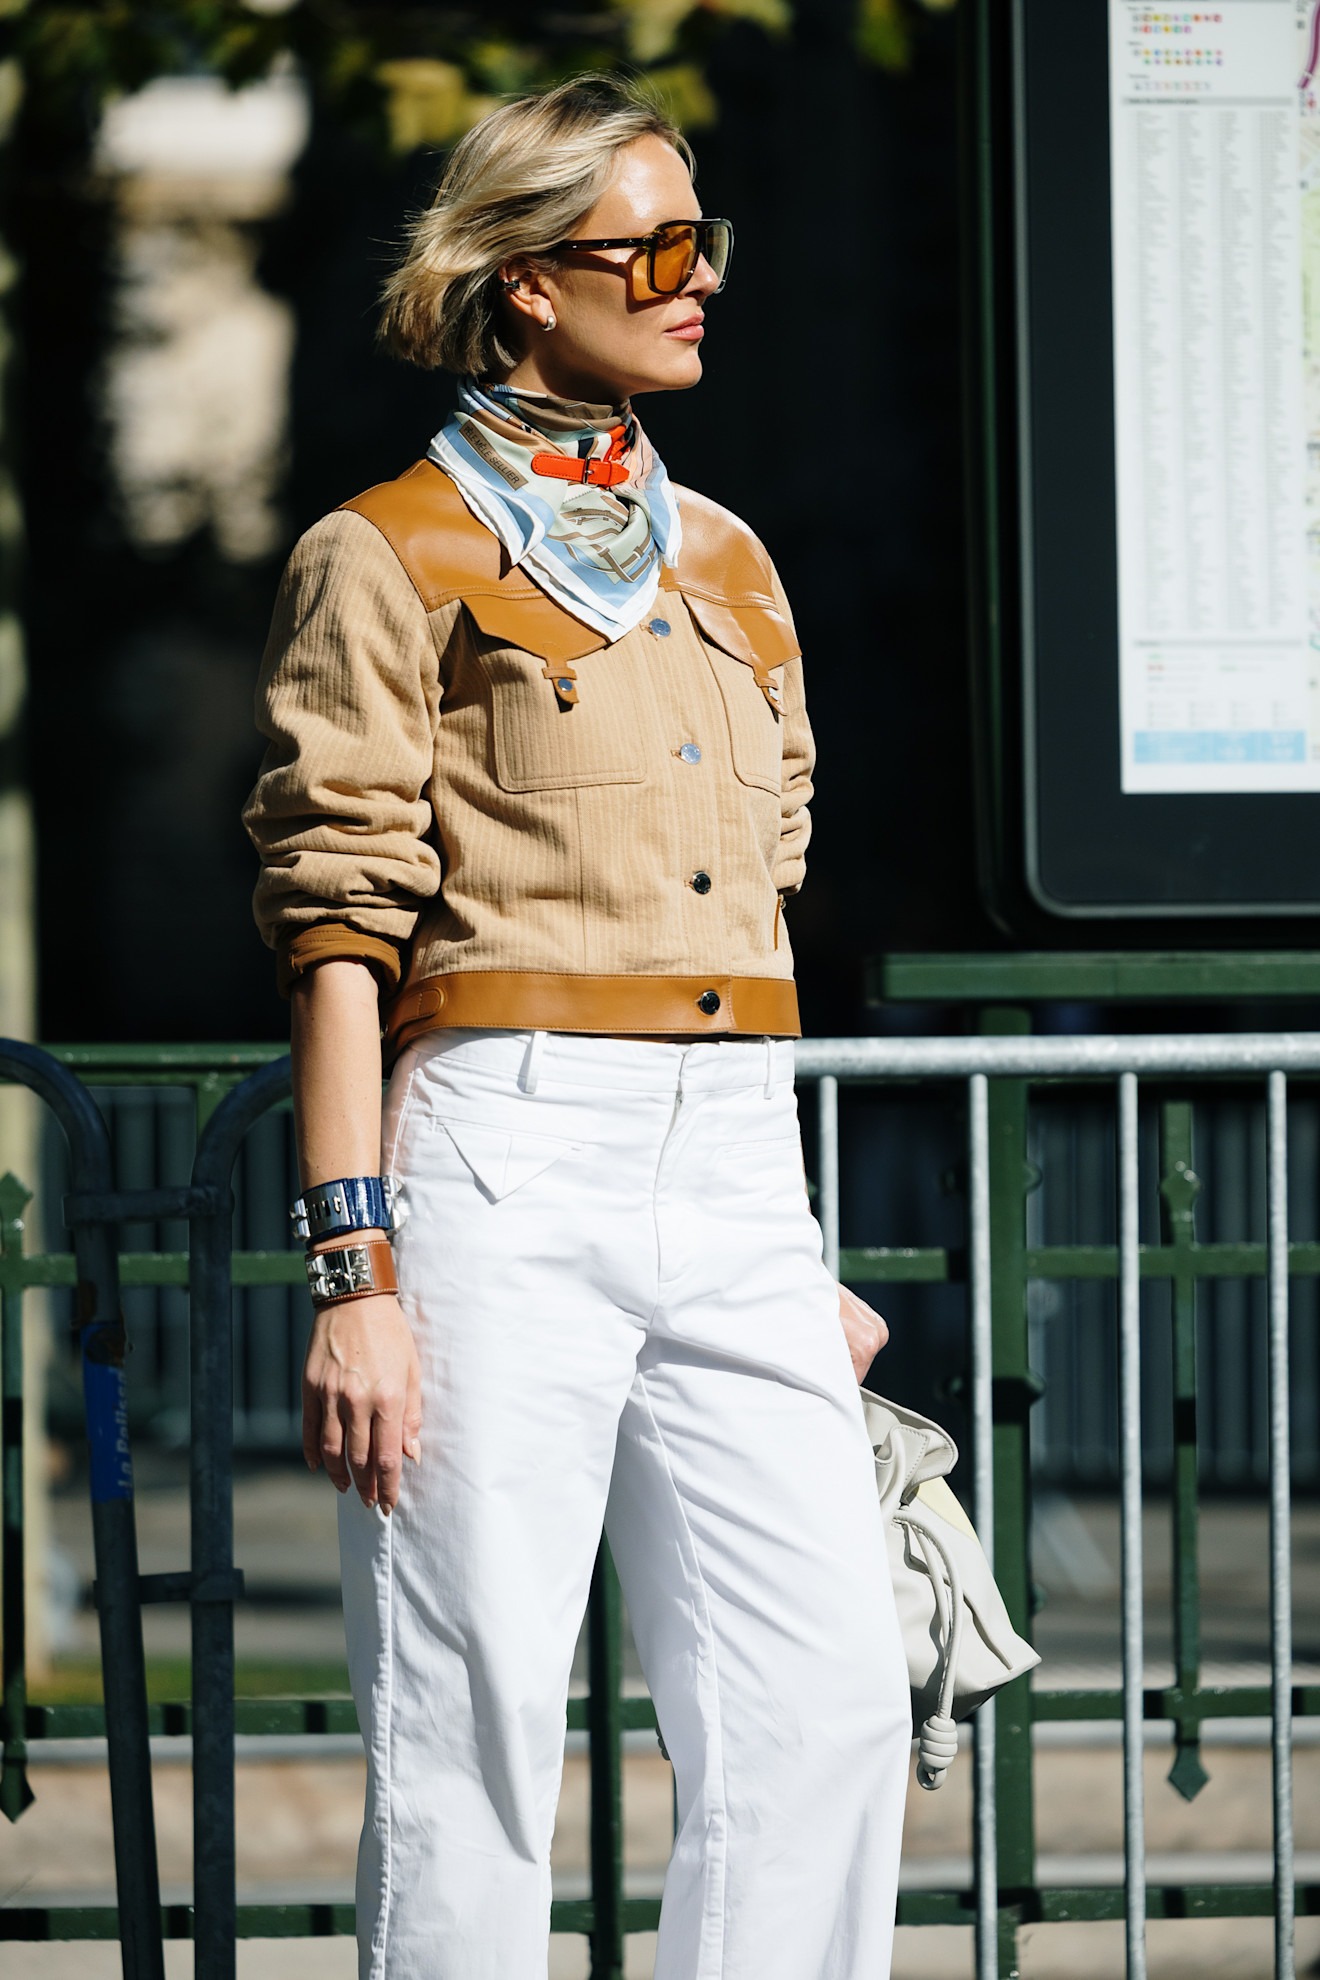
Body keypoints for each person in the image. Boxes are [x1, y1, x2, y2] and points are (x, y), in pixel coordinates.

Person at [243, 74, 910, 1980]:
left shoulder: (731, 563)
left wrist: (778, 1237)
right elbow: (339, 930)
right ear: (528, 280)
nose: (703, 282)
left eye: (710, 242)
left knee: (828, 1707)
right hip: (500, 1157)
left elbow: (754, 906)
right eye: (659, 247)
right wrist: (355, 1269)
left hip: (734, 1164)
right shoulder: (387, 553)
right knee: (471, 1728)